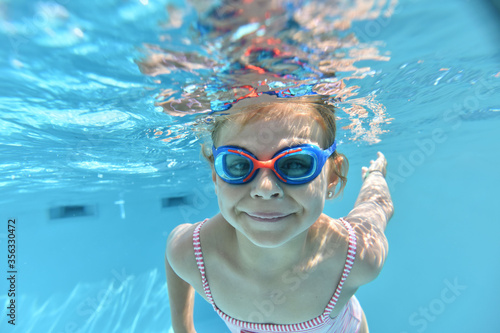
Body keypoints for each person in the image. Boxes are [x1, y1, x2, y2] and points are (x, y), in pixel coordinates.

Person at [165, 96, 394, 333]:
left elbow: (376, 207)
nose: (265, 189)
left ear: (333, 175)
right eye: (239, 164)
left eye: (295, 163)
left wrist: (375, 176)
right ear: (215, 176)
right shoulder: (191, 253)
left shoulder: (357, 258)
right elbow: (174, 260)